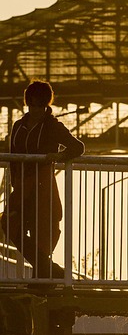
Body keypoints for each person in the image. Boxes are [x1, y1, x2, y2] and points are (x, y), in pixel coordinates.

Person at [4, 80, 85, 280]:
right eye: (32, 104)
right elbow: (14, 156)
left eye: (40, 104)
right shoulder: (18, 126)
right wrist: (14, 183)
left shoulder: (52, 126)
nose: (35, 109)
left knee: (42, 232)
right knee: (8, 224)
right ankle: (51, 270)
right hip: (22, 186)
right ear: (27, 102)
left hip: (42, 186)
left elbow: (77, 147)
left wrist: (59, 157)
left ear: (46, 105)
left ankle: (41, 280)